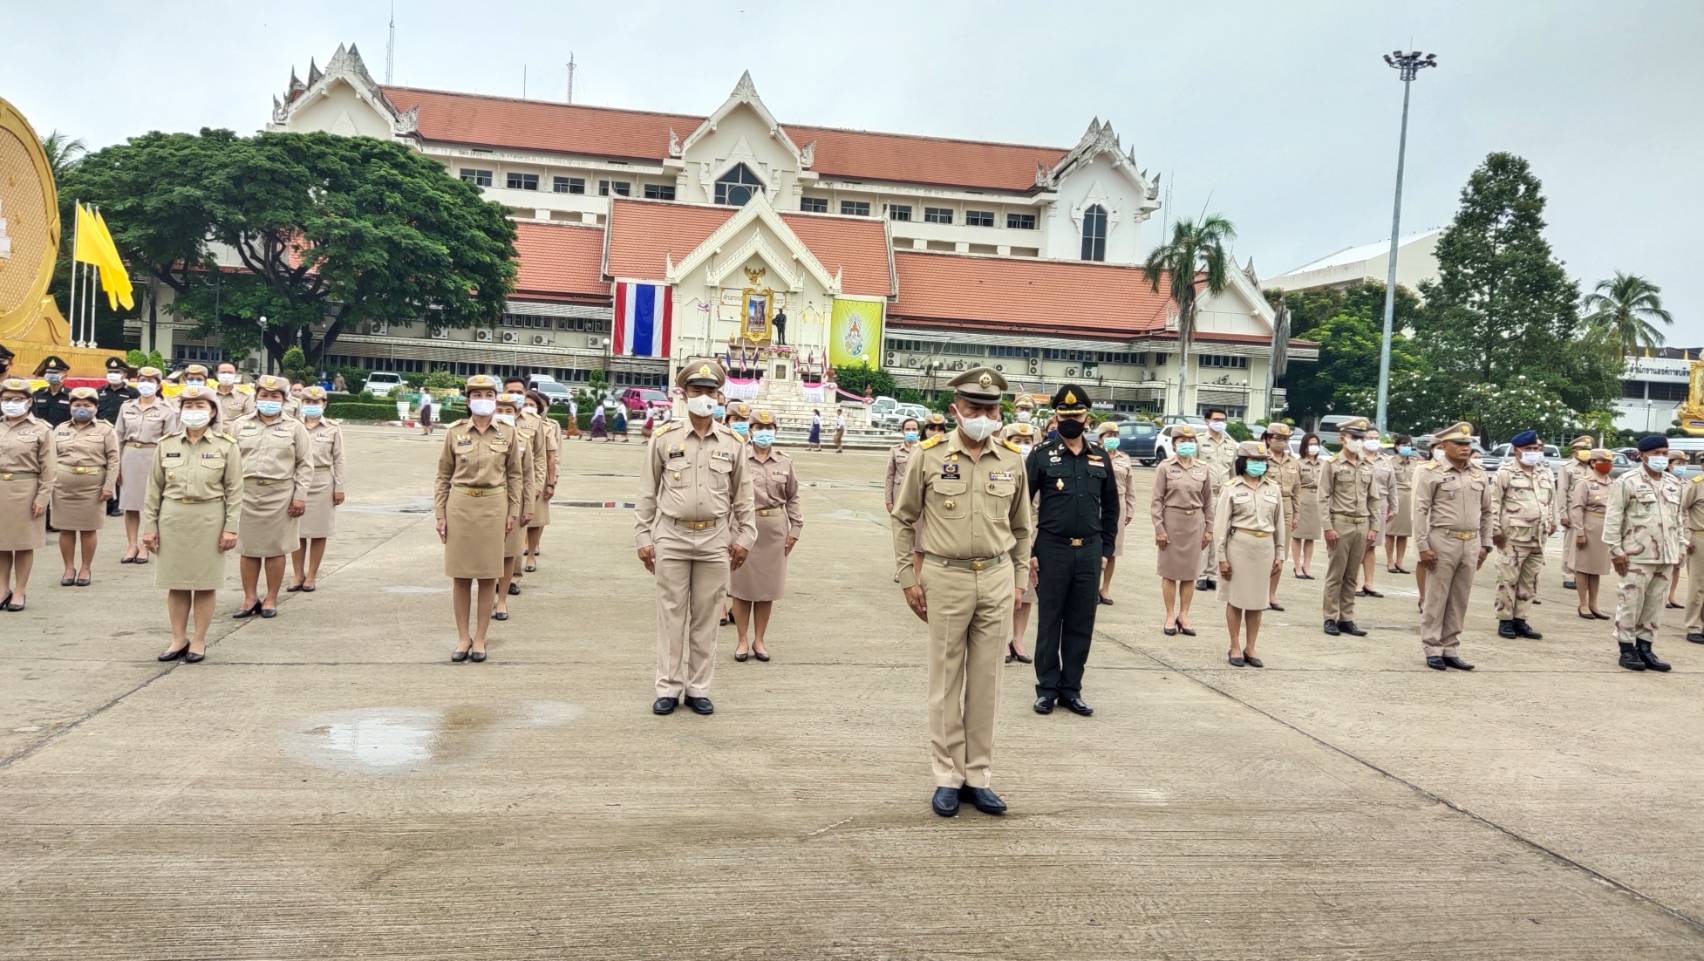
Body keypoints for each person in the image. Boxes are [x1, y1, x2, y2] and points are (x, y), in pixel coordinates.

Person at [891, 366, 1030, 819]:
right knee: (946, 680)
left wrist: (1019, 580)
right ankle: (947, 775)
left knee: (987, 682)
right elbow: (903, 517)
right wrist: (908, 578)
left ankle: (979, 775)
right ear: (955, 410)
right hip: (945, 575)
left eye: (990, 409)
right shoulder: (927, 456)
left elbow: (1022, 528)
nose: (983, 416)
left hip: (994, 575)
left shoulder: (1011, 460)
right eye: (974, 408)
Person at [634, 359, 755, 716]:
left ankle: (698, 686)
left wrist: (745, 537)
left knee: (706, 616)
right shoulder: (665, 438)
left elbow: (744, 497)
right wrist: (643, 536)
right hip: (671, 535)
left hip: (715, 538)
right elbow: (646, 492)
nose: (703, 396)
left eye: (709, 391)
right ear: (684, 394)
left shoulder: (733, 443)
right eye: (696, 390)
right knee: (671, 615)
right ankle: (669, 687)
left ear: (720, 396)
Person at [1025, 384, 1119, 717]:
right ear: (1055, 416)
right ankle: (1047, 689)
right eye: (1064, 416)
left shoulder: (1099, 456)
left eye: (1076, 415)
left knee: (1082, 621)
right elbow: (1022, 506)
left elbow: (1111, 508)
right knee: (1050, 620)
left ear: (1087, 417)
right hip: (1052, 549)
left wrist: (1106, 549)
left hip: (1090, 551)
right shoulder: (1040, 455)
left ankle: (1071, 688)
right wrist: (1029, 550)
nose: (1071, 421)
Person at [142, 385, 241, 662]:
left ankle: (198, 640)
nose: (193, 411)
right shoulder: (166, 444)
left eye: (200, 406)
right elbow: (153, 489)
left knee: (205, 583)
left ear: (212, 412)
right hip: (173, 518)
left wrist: (231, 527)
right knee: (176, 583)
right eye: (189, 406)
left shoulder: (225, 445)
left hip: (209, 517)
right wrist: (149, 527)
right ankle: (178, 638)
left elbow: (235, 490)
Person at [435, 375, 524, 662]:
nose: (482, 399)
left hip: (494, 505)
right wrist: (440, 514)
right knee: (460, 576)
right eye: (477, 394)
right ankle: (463, 637)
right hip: (460, 504)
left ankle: (481, 638)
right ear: (468, 399)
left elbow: (515, 476)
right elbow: (443, 476)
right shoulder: (455, 432)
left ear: (496, 399)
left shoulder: (508, 433)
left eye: (488, 394)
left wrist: (513, 511)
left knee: (488, 576)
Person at [231, 374, 313, 619]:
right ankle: (249, 597)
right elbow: (229, 461)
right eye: (263, 396)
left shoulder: (294, 427)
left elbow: (304, 464)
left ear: (284, 400)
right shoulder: (239, 424)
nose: (268, 400)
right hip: (245, 493)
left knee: (276, 550)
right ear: (255, 398)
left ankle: (270, 598)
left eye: (274, 396)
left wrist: (300, 496)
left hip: (280, 494)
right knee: (248, 549)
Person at [1413, 421, 1493, 670]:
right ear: (1443, 445)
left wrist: (1486, 544)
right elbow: (1419, 510)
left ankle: (1451, 647)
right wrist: (1423, 546)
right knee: (1436, 597)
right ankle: (1432, 647)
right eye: (1459, 443)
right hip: (1442, 539)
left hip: (1471, 541)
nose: (1465, 448)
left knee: (1460, 598)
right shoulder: (1430, 471)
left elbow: (1488, 511)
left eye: (1468, 443)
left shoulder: (1478, 473)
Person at [730, 408, 801, 662]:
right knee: (740, 588)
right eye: (759, 428)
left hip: (774, 529)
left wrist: (796, 528)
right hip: (744, 526)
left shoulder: (785, 461)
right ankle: (741, 640)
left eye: (769, 428)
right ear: (751, 430)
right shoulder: (739, 457)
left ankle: (759, 640)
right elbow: (728, 495)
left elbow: (793, 496)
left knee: (766, 590)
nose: (764, 433)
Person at [1606, 435, 1682, 672]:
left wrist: (1679, 545)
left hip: (1666, 555)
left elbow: (1677, 518)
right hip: (1637, 554)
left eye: (1664, 452)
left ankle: (1646, 647)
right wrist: (1616, 550)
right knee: (1630, 601)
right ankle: (1627, 648)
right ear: (1642, 454)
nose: (1662, 457)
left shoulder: (1673, 482)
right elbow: (1613, 518)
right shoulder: (1627, 481)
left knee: (1655, 604)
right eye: (1656, 453)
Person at [1215, 440, 1286, 667]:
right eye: (1255, 460)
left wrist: (1280, 553)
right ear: (1244, 461)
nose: (1259, 465)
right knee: (1236, 600)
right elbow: (1221, 526)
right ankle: (1235, 645)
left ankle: (1251, 646)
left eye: (1263, 461)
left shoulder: (1273, 489)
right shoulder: (1232, 488)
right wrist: (1222, 557)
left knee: (1258, 602)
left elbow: (1280, 523)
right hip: (1239, 547)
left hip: (1264, 547)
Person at [1491, 429, 1557, 640]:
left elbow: (1551, 500)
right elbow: (1493, 503)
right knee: (1508, 579)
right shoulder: (1505, 473)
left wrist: (1552, 521)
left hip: (1538, 537)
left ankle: (1521, 619)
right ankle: (1505, 620)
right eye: (1529, 449)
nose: (1534, 452)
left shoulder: (1544, 472)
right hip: (1513, 536)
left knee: (1530, 580)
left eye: (1536, 449)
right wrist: (1495, 531)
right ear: (1517, 451)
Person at [51, 388, 119, 587]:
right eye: (77, 405)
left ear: (96, 407)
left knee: (88, 530)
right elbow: (50, 458)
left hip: (93, 487)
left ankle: (85, 567)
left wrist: (109, 487)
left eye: (87, 405)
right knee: (66, 530)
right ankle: (68, 568)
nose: (82, 409)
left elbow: (114, 460)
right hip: (63, 486)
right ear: (70, 407)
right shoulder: (60, 429)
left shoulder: (105, 430)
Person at [0, 377, 56, 611]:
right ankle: (2, 588)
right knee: (1, 545)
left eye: (16, 399)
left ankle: (20, 590)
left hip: (25, 490)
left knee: (23, 544)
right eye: (5, 399)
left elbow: (49, 468)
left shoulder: (41, 429)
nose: (10, 403)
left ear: (29, 401)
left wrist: (42, 497)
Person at [1150, 424, 1212, 636]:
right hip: (1171, 521)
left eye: (1190, 441)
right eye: (1182, 441)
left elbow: (1208, 502)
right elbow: (1157, 500)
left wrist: (1209, 529)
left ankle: (1184, 614)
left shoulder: (1202, 468)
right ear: (1174, 443)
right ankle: (1169, 614)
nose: (1187, 444)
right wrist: (1159, 528)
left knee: (1189, 574)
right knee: (1169, 573)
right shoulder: (1165, 467)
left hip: (1194, 522)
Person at [1319, 416, 1375, 637]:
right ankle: (1330, 617)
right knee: (1336, 574)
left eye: (1361, 437)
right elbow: (1323, 497)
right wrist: (1327, 527)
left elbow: (1374, 498)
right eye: (1354, 437)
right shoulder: (1332, 464)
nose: (1359, 441)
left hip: (1362, 523)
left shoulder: (1367, 465)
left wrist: (1375, 526)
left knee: (1352, 575)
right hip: (1340, 522)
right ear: (1343, 438)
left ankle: (1347, 617)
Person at [116, 367, 179, 564]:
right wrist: (116, 465)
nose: (146, 383)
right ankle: (131, 544)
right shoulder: (126, 406)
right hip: (130, 454)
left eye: (151, 381)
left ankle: (146, 544)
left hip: (154, 455)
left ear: (159, 385)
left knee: (151, 504)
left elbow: (170, 439)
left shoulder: (167, 410)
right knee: (130, 504)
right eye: (143, 379)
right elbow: (118, 435)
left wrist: (168, 465)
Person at [288, 386, 344, 593]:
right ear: (301, 403)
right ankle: (297, 573)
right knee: (297, 531)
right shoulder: (293, 426)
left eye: (316, 402)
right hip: (296, 480)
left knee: (319, 532)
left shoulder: (332, 428)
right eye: (308, 402)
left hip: (322, 481)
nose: (312, 406)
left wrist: (339, 487)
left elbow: (339, 459)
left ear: (324, 404)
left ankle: (311, 575)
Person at [491, 392, 538, 621]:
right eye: (499, 409)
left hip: (514, 503)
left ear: (517, 413)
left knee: (509, 553)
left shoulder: (522, 440)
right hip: (489, 503)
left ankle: (501, 600)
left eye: (508, 410)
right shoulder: (483, 436)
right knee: (488, 554)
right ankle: (488, 596)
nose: (503, 414)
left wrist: (528, 506)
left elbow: (528, 476)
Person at [1002, 421, 1038, 664]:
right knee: (1003, 593)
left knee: (1027, 593)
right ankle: (1003, 640)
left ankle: (1019, 639)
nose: (1023, 447)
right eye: (1017, 441)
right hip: (1003, 538)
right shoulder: (999, 467)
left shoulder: (1041, 469)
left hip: (1033, 539)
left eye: (1028, 442)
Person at [1095, 420, 1138, 605]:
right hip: (1095, 503)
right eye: (1108, 435)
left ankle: (1105, 588)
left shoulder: (1124, 459)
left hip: (1118, 504)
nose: (1113, 438)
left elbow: (1130, 486)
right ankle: (1091, 588)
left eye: (1115, 435)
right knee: (1094, 547)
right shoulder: (1093, 455)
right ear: (1101, 438)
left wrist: (1130, 509)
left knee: (1112, 549)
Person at [1571, 448, 1616, 620]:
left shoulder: (1612, 483)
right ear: (1592, 463)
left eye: (1609, 462)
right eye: (1603, 462)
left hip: (1605, 529)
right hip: (1589, 526)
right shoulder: (1585, 482)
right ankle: (1583, 603)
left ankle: (1594, 603)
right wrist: (1580, 532)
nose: (1607, 465)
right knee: (1583, 568)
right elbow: (1577, 508)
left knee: (1596, 568)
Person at [1194, 408, 1237, 590]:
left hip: (1225, 493)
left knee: (1219, 534)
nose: (1220, 422)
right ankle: (1200, 574)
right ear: (1207, 421)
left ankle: (1212, 574)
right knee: (1205, 533)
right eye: (1216, 419)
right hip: (1206, 492)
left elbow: (1233, 471)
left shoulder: (1231, 444)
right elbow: (1194, 466)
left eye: (1223, 419)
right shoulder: (1198, 441)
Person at [522, 390, 560, 575]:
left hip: (539, 477)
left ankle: (531, 554)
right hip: (516, 477)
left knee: (536, 520)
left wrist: (551, 482)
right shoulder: (510, 423)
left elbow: (552, 456)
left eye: (532, 405)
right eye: (525, 404)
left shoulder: (547, 427)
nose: (528, 408)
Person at [1263, 422, 1299, 611]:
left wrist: (1296, 514)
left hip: (1286, 507)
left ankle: (1271, 595)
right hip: (1266, 506)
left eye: (1286, 439)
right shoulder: (1260, 458)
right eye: (1279, 438)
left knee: (1280, 553)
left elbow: (1297, 489)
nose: (1283, 442)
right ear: (1269, 439)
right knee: (1262, 551)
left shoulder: (1293, 461)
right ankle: (1259, 594)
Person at [98, 359, 137, 518]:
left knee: (118, 468)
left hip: (121, 435)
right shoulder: (100, 391)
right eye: (110, 372)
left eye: (116, 372)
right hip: (102, 434)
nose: (112, 375)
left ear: (124, 374)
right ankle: (105, 502)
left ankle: (116, 503)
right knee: (103, 467)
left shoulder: (133, 393)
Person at [1558, 434, 1594, 589]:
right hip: (1573, 511)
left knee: (1587, 545)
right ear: (1574, 450)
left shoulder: (1593, 468)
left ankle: (1582, 575)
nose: (1586, 452)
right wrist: (1563, 514)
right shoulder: (1568, 468)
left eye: (1588, 449)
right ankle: (1568, 575)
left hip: (1590, 512)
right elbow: (1562, 491)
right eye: (1583, 449)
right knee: (1571, 545)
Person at [1357, 429, 1388, 599]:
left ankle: (1369, 583)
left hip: (1380, 506)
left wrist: (1394, 507)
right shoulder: (1357, 459)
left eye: (1376, 438)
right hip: (1360, 505)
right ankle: (1354, 582)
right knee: (1358, 546)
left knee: (1372, 546)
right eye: (1369, 438)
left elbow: (1392, 486)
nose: (1373, 441)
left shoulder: (1385, 461)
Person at [1383, 435, 1420, 575]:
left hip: (1409, 499)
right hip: (1395, 497)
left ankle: (1400, 561)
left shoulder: (1415, 463)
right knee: (1391, 532)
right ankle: (1389, 561)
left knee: (1404, 534)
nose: (1406, 447)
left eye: (1408, 444)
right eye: (1403, 444)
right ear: (1397, 446)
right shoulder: (1390, 462)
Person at [1291, 432, 1324, 579]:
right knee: (1298, 535)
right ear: (1304, 446)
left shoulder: (1323, 463)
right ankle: (1297, 566)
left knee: (1311, 536)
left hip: (1317, 500)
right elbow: (1295, 485)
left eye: (1315, 444)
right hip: (1302, 499)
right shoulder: (1298, 463)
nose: (1313, 447)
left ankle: (1307, 566)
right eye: (1310, 444)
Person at [1667, 451, 1691, 610]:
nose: (1681, 467)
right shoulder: (1664, 481)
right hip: (1668, 526)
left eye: (1683, 464)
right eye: (1678, 463)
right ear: (1669, 465)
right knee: (1667, 564)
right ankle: (1661, 596)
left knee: (1677, 565)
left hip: (1684, 526)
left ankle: (1671, 595)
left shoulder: (1687, 483)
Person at [30, 355, 73, 427]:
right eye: (49, 372)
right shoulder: (37, 394)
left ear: (64, 376)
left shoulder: (71, 395)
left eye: (55, 372)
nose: (51, 375)